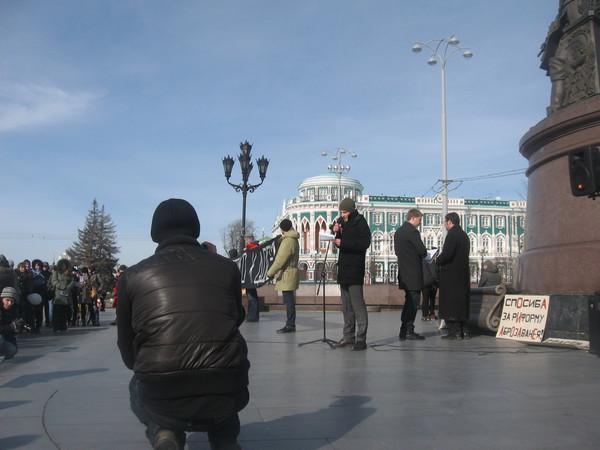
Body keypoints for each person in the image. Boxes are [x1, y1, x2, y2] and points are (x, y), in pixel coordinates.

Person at [117, 198, 249, 450]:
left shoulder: (132, 276)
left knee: (138, 383)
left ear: (155, 232)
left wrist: (148, 365)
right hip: (226, 382)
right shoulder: (227, 268)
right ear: (195, 228)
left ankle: (164, 432)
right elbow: (236, 317)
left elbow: (126, 344)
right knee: (223, 372)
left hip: (162, 387)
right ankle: (224, 438)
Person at [332, 198, 371, 351]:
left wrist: (344, 243)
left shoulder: (360, 222)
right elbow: (338, 238)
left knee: (358, 305)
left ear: (352, 210)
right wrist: (336, 231)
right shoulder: (342, 221)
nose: (342, 214)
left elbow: (364, 243)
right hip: (343, 268)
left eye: (345, 212)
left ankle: (361, 339)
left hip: (355, 268)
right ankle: (348, 337)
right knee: (346, 306)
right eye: (341, 212)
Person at [394, 208, 427, 340]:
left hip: (404, 272)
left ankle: (403, 330)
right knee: (413, 302)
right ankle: (408, 329)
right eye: (419, 219)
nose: (420, 222)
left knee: (409, 301)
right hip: (413, 273)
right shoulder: (413, 232)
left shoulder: (399, 232)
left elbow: (397, 252)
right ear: (413, 218)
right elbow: (422, 250)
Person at [437, 212, 471, 340]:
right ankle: (464, 331)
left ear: (450, 222)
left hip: (451, 275)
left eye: (445, 222)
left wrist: (437, 260)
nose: (444, 224)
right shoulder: (464, 235)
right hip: (463, 274)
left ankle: (454, 332)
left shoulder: (452, 235)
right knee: (461, 302)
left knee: (451, 303)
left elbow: (447, 254)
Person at [266, 219, 300, 334]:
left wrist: (269, 273)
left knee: (289, 301)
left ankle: (290, 325)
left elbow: (280, 261)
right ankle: (290, 324)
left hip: (287, 274)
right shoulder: (293, 239)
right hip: (291, 272)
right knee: (290, 300)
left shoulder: (287, 241)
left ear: (282, 229)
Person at [0, 287, 26, 360]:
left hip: (5, 334)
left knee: (12, 350)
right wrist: (12, 326)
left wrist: (18, 328)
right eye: (7, 300)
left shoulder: (14, 309)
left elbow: (11, 332)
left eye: (12, 301)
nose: (10, 303)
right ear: (2, 298)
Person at [50, 259, 73, 332]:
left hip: (67, 294)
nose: (64, 266)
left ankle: (63, 326)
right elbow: (54, 281)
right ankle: (56, 326)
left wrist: (68, 287)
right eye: (62, 265)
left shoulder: (69, 273)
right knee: (57, 312)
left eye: (65, 265)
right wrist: (62, 286)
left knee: (64, 312)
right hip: (58, 294)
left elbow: (72, 281)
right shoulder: (56, 272)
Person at [243, 235, 260, 322]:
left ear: (250, 240)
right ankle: (252, 315)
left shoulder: (253, 248)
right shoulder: (251, 247)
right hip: (250, 275)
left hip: (251, 276)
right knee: (251, 295)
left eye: (246, 240)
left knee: (251, 296)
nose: (246, 242)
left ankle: (252, 316)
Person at [421, 248, 439, 321]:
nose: (437, 255)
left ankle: (425, 315)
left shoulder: (423, 260)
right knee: (431, 299)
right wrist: (437, 280)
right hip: (431, 283)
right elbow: (434, 273)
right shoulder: (431, 261)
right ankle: (430, 314)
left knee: (426, 299)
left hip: (424, 282)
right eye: (436, 253)